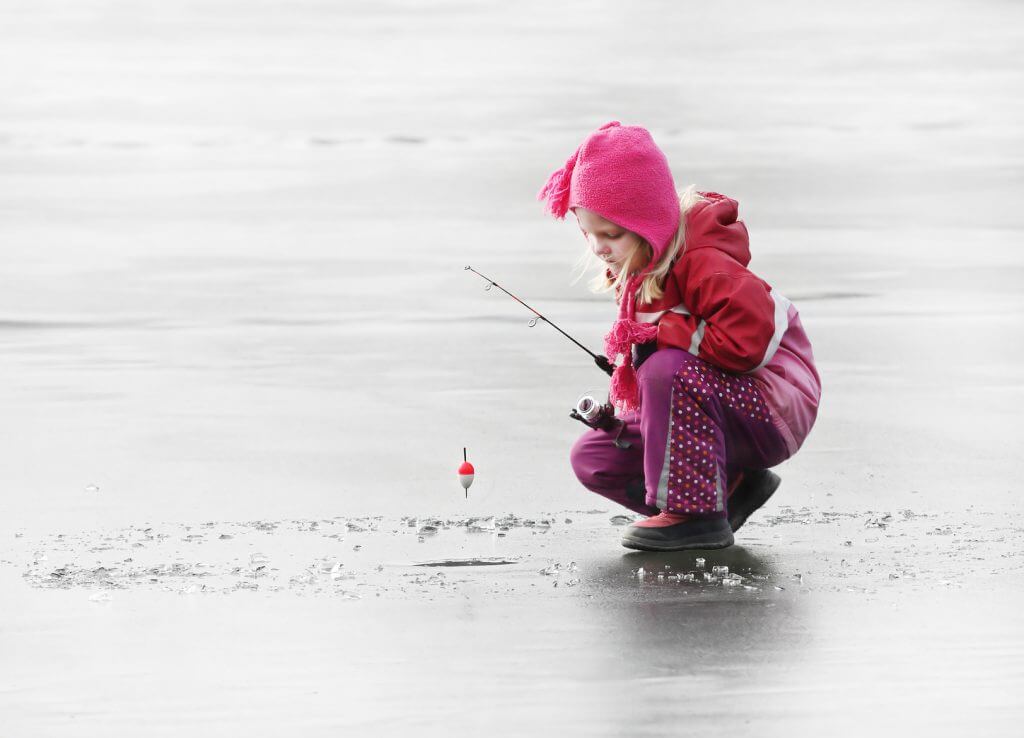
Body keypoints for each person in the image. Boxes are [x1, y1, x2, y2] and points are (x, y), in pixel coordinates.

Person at [537, 121, 822, 551]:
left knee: (665, 368)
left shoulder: (705, 261)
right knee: (594, 459)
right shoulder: (638, 273)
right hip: (713, 406)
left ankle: (696, 517)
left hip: (773, 407)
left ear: (648, 222)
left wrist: (659, 334)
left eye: (611, 234)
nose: (598, 248)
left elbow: (749, 345)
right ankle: (730, 490)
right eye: (589, 234)